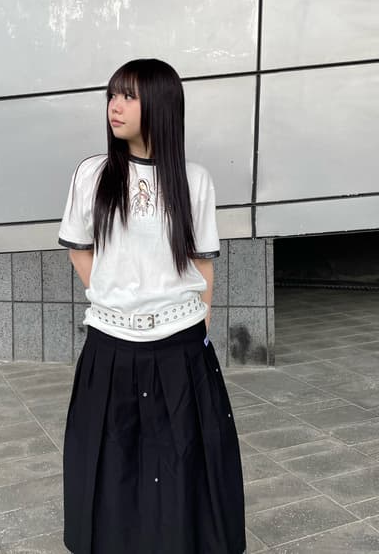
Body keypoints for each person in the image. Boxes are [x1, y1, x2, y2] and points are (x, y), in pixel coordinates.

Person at [58, 58, 246, 554]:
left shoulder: (194, 180)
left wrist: (200, 322)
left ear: (160, 104)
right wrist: (116, 295)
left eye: (129, 96)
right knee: (109, 461)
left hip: (180, 347)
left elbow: (201, 262)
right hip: (110, 344)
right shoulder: (92, 174)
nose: (114, 106)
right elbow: (79, 249)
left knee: (183, 462)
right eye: (112, 95)